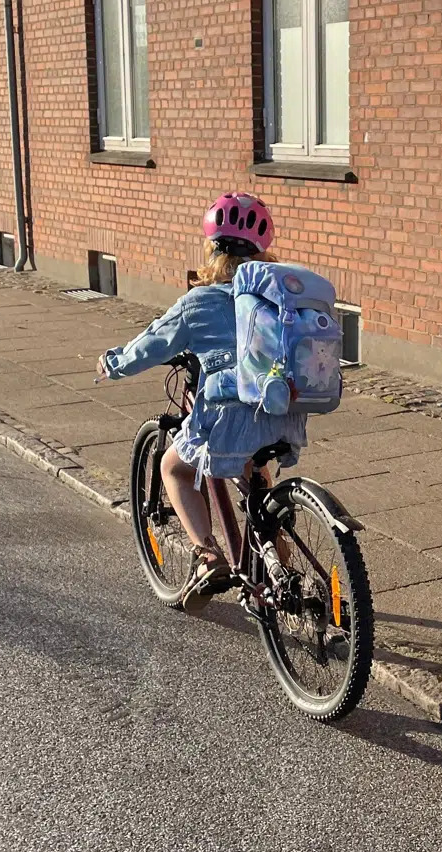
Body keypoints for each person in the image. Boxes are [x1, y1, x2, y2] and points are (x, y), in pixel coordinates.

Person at [96, 193, 305, 612]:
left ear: (211, 248)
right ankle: (276, 563)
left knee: (172, 466)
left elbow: (151, 344)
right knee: (255, 480)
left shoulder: (199, 302)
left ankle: (209, 557)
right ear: (262, 252)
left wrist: (112, 363)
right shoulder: (276, 297)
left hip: (229, 416)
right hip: (284, 414)